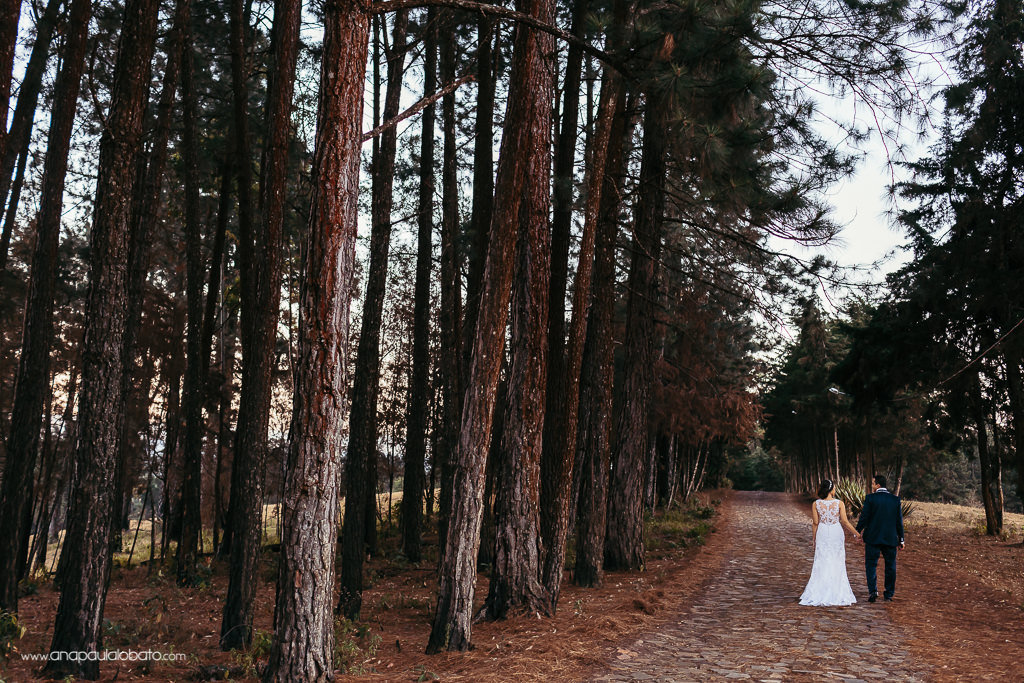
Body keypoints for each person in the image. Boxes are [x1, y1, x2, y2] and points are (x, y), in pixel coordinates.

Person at [799, 479, 860, 606]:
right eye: (834, 488)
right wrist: (856, 533)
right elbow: (845, 521)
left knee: (821, 560)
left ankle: (819, 591)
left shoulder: (816, 504)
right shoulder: (839, 503)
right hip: (835, 532)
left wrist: (814, 539)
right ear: (831, 490)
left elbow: (815, 523)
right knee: (837, 560)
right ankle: (837, 591)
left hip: (822, 531)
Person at [856, 474, 905, 602]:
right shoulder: (895, 500)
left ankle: (873, 591)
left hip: (873, 537)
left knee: (871, 564)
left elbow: (864, 517)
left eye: (873, 483)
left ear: (878, 485)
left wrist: (857, 531)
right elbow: (899, 521)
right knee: (890, 566)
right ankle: (888, 594)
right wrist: (901, 539)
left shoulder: (870, 498)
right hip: (890, 538)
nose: (872, 486)